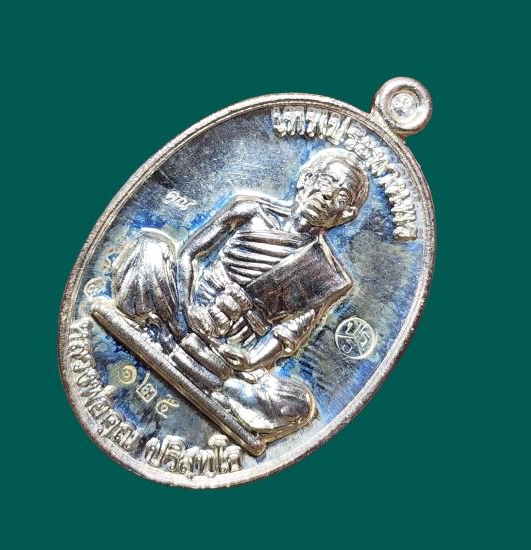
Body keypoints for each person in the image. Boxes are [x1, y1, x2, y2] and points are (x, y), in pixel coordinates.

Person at [112, 148, 369, 442]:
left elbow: (288, 336)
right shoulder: (249, 210)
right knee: (148, 249)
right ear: (306, 179)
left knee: (299, 406)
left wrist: (248, 360)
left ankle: (206, 371)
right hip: (183, 314)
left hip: (229, 355)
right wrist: (188, 308)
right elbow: (190, 255)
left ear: (346, 214)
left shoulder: (328, 275)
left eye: (341, 197)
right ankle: (177, 344)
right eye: (326, 182)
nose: (326, 196)